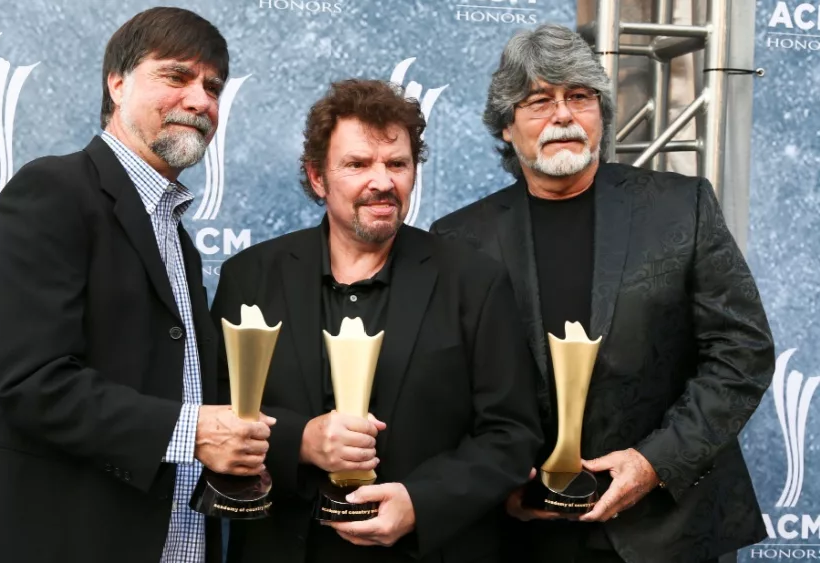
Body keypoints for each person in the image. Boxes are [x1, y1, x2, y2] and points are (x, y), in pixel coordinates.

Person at [430, 24, 775, 563]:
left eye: (580, 97)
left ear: (601, 114)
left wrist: (652, 462)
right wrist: (497, 486)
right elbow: (445, 392)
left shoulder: (681, 207)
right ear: (506, 126)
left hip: (669, 531)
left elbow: (742, 354)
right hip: (520, 538)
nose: (563, 115)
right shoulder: (458, 240)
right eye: (539, 101)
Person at [0, 8, 273, 563]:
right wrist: (192, 430)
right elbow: (34, 382)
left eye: (212, 86)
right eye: (176, 76)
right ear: (117, 84)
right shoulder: (52, 193)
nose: (200, 100)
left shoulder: (178, 238)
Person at [211, 79, 543, 563]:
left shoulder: (473, 281)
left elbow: (512, 434)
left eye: (397, 164)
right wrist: (300, 442)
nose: (382, 181)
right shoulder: (251, 278)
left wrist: (420, 504)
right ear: (318, 177)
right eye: (358, 164)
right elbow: (214, 410)